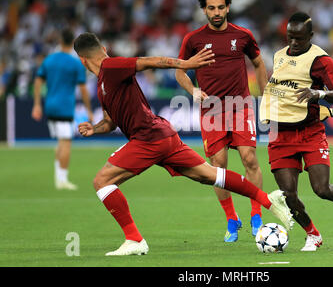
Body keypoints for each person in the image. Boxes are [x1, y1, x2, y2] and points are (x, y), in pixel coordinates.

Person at [73, 32, 292, 256]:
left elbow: (151, 61)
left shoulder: (111, 67)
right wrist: (95, 128)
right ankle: (268, 200)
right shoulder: (102, 84)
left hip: (148, 137)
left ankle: (134, 239)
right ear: (102, 48)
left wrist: (185, 64)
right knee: (209, 175)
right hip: (163, 136)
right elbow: (110, 122)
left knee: (102, 181)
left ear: (82, 60)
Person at [259, 12, 333, 252]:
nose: (293, 42)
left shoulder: (321, 60)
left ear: (310, 36)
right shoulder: (279, 56)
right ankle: (313, 235)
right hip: (280, 134)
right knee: (288, 196)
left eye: (299, 39)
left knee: (321, 189)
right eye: (290, 37)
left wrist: (319, 94)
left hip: (310, 132)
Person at [175, 0, 268, 242]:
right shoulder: (193, 39)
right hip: (211, 109)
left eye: (220, 7)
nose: (216, 12)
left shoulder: (244, 35)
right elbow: (180, 70)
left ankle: (256, 214)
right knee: (218, 166)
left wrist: (266, 97)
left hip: (241, 105)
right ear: (204, 10)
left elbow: (259, 63)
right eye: (211, 8)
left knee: (250, 159)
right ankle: (231, 219)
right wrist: (193, 90)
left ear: (228, 7)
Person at [32, 29, 93, 190]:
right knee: (66, 142)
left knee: (61, 141)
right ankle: (62, 180)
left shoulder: (49, 60)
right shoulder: (75, 63)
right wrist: (89, 110)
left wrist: (37, 104)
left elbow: (37, 81)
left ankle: (59, 176)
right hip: (64, 107)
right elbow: (83, 89)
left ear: (60, 41)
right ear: (72, 43)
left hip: (49, 105)